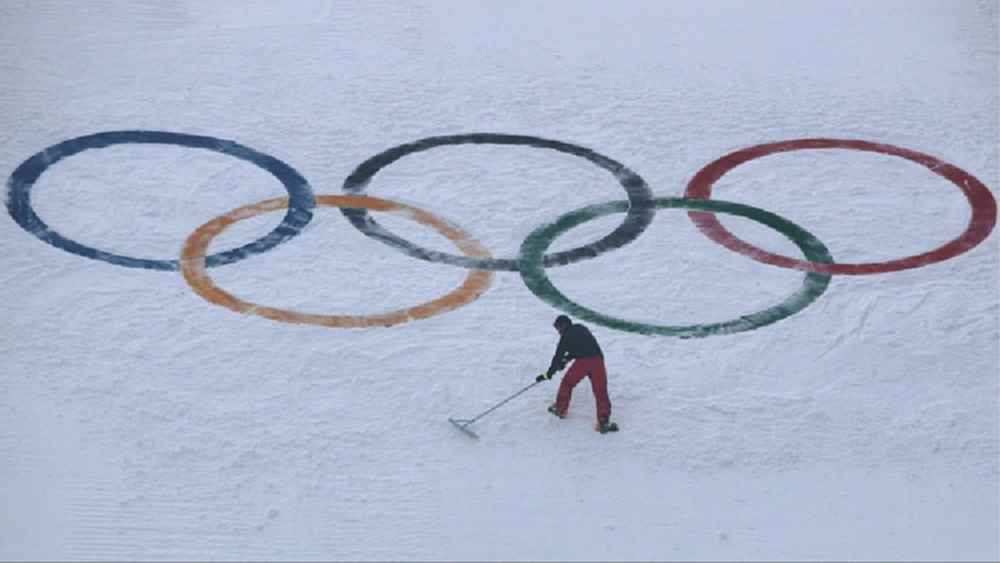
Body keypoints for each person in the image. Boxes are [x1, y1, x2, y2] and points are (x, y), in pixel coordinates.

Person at [536, 315, 619, 433]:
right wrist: (564, 361)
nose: (559, 332)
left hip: (583, 362)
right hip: (598, 360)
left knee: (568, 383)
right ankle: (603, 421)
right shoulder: (581, 328)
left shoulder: (565, 336)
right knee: (601, 391)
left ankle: (560, 408)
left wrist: (550, 373)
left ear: (563, 325)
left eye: (558, 329)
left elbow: (558, 355)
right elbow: (578, 348)